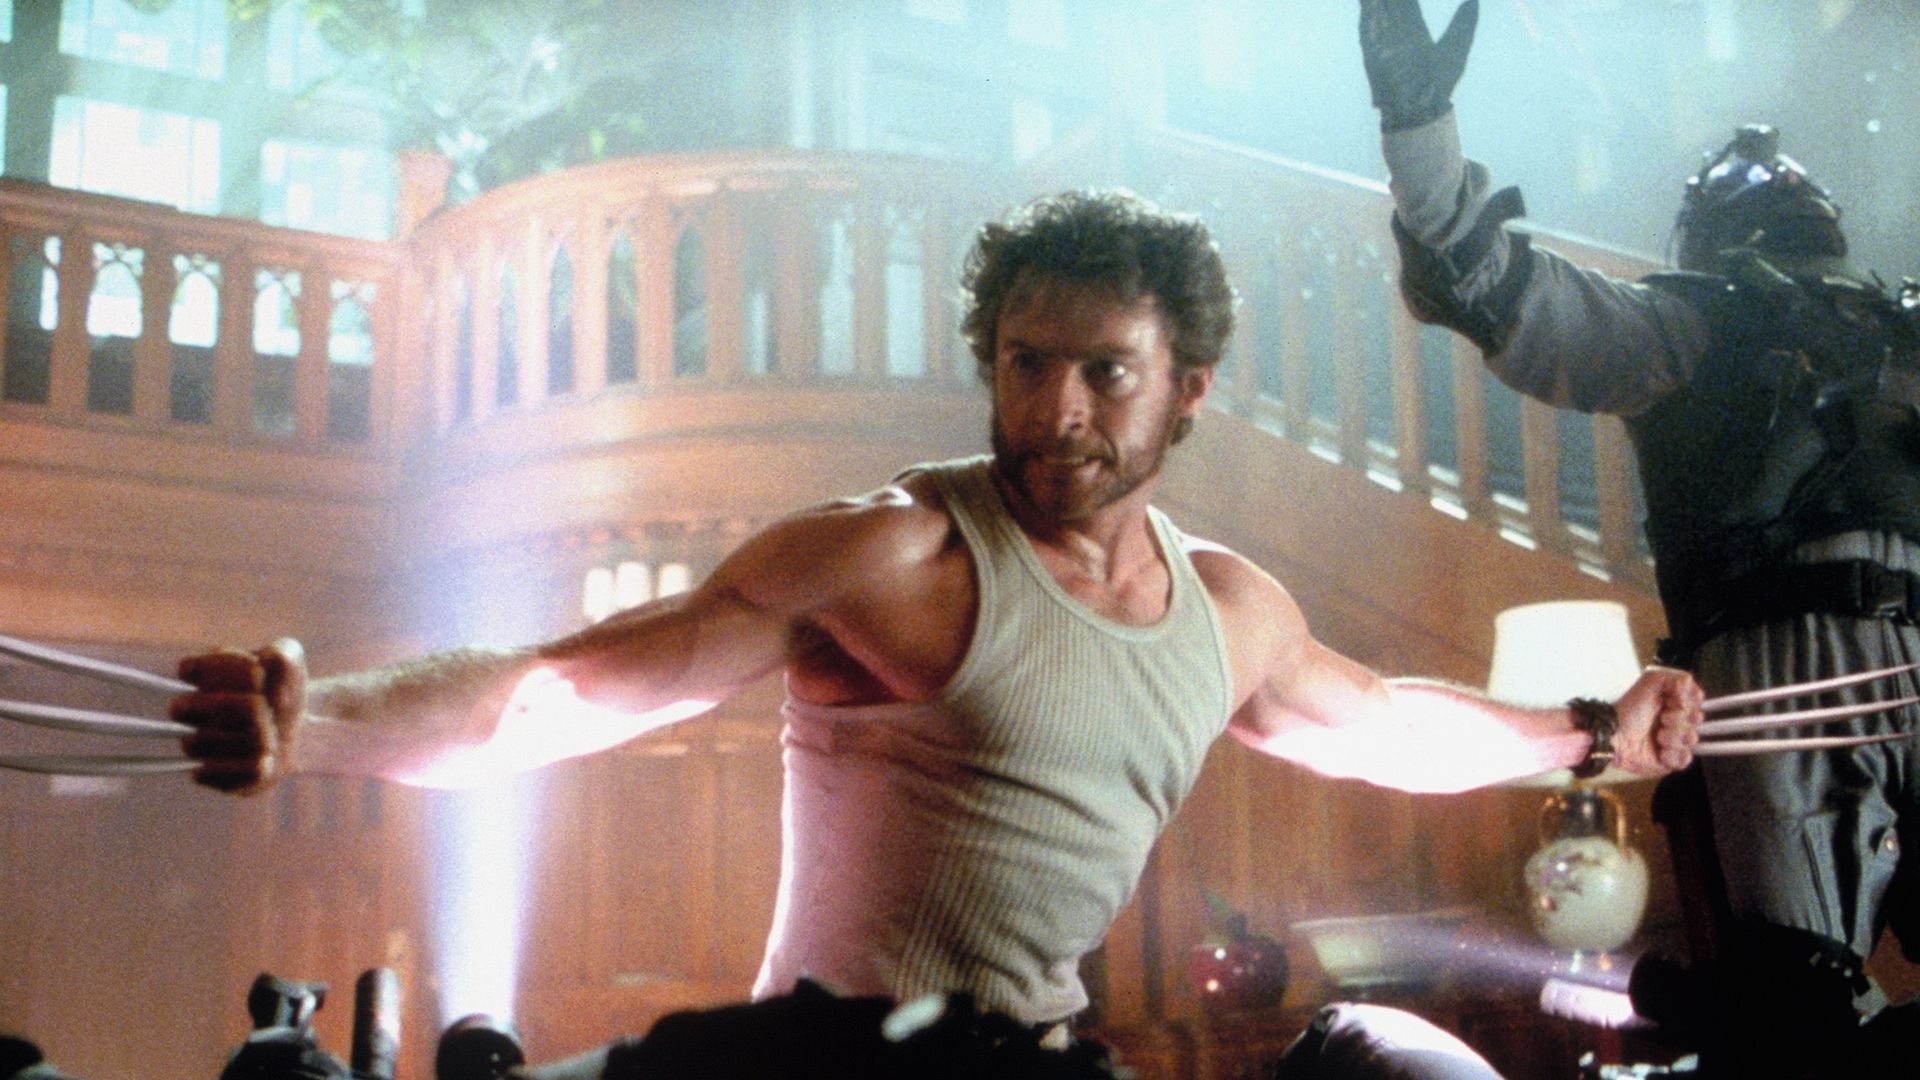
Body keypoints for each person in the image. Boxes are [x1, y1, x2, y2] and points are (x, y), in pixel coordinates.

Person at [171, 189, 1701, 1077]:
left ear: (1188, 389)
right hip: (835, 1064)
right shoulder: (897, 555)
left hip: (1037, 1062)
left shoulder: (1233, 614)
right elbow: (563, 692)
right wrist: (320, 724)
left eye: (1105, 372)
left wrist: (1585, 735)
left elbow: (1387, 728)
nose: (1057, 408)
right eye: (1027, 363)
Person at [1359, 0, 1920, 1074]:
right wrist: (1418, 130)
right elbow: (1491, 286)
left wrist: (1419, 132)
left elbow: (1489, 282)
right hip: (1779, 670)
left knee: (1793, 1009)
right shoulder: (1691, 323)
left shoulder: (1864, 330)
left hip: (1809, 664)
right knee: (1792, 1011)